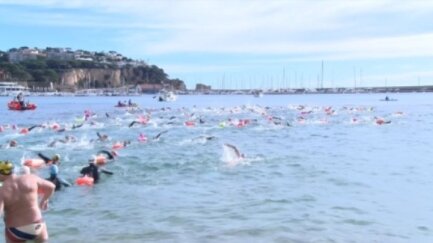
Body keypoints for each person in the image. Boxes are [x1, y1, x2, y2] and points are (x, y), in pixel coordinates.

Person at [0, 160, 55, 243]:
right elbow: (51, 186)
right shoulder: (30, 178)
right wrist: (44, 200)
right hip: (37, 225)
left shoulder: (2, 191)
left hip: (16, 230)